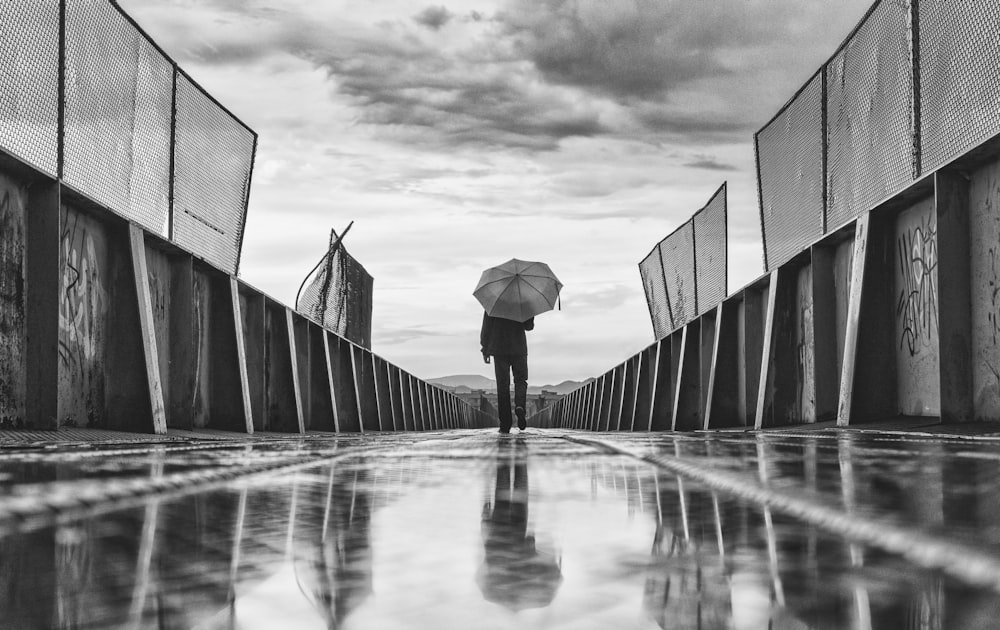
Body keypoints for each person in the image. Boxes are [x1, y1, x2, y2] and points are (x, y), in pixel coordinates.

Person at [480, 312, 533, 433]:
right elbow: (529, 326)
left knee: (502, 385)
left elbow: (486, 326)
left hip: (499, 348)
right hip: (519, 348)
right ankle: (520, 406)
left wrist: (485, 349)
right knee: (521, 380)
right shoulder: (524, 300)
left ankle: (505, 423)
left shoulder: (494, 299)